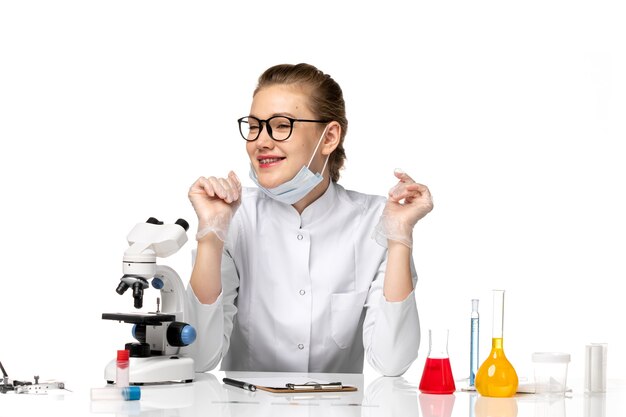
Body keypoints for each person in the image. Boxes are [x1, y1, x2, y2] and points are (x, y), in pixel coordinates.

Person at [184, 63, 433, 376]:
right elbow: (198, 356)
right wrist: (211, 234)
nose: (260, 141)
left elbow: (392, 362)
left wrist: (399, 239)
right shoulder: (234, 216)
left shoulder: (375, 221)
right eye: (254, 126)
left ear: (329, 137)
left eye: (280, 125)